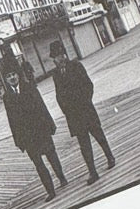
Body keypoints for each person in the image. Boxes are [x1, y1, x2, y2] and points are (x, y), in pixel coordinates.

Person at [49, 40, 115, 185]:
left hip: (86, 109)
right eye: (57, 56)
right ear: (53, 59)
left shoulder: (76, 65)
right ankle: (92, 171)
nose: (60, 58)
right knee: (84, 144)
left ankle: (110, 157)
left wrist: (85, 101)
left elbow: (88, 85)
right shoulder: (56, 74)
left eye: (62, 54)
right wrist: (66, 110)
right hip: (74, 115)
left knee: (99, 136)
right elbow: (59, 95)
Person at [2, 66, 66, 202]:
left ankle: (61, 177)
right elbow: (11, 119)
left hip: (40, 129)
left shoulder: (29, 87)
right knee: (38, 163)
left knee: (51, 155)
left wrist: (50, 124)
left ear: (18, 75)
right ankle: (50, 190)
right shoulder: (7, 97)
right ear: (5, 80)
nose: (12, 78)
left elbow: (42, 106)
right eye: (8, 76)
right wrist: (18, 140)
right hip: (27, 136)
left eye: (13, 74)